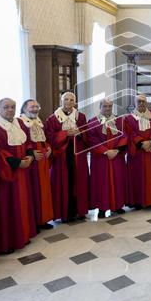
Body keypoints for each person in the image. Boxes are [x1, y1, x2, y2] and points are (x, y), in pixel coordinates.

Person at [0, 98, 34, 253]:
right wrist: (17, 163)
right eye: (6, 107)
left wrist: (30, 156)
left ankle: (23, 235)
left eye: (13, 107)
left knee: (22, 203)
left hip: (23, 172)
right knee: (7, 206)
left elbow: (28, 143)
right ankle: (8, 242)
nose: (10, 110)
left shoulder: (19, 123)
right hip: (7, 174)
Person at [44, 91, 89, 223]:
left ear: (75, 102)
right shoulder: (52, 119)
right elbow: (49, 137)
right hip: (61, 154)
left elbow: (86, 133)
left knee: (79, 181)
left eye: (71, 100)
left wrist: (80, 132)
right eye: (66, 99)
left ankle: (79, 211)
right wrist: (65, 134)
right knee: (64, 182)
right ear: (61, 101)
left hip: (77, 153)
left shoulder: (80, 117)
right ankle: (65, 213)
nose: (68, 102)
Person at [86, 98, 128, 216]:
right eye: (105, 106)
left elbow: (124, 135)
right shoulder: (93, 122)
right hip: (101, 158)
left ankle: (118, 205)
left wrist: (117, 150)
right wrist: (105, 151)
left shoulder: (119, 121)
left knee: (118, 180)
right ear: (100, 107)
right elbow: (92, 140)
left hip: (116, 156)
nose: (108, 108)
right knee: (101, 183)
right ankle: (102, 208)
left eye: (110, 106)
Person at [18, 99, 54, 230]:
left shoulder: (39, 122)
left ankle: (43, 219)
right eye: (32, 107)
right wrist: (32, 153)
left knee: (44, 190)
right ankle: (34, 222)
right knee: (34, 191)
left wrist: (49, 147)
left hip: (43, 161)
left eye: (37, 106)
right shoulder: (20, 123)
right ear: (24, 109)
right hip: (32, 163)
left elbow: (44, 139)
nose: (35, 109)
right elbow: (21, 143)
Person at [124, 95, 151, 209]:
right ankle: (137, 201)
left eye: (143, 101)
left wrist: (150, 142)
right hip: (137, 153)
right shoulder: (129, 118)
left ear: (146, 103)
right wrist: (142, 143)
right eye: (139, 101)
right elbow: (129, 134)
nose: (141, 103)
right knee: (137, 176)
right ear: (135, 103)